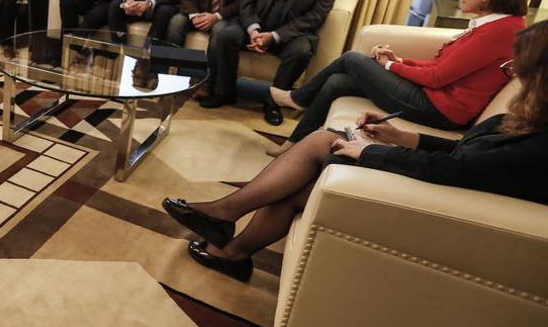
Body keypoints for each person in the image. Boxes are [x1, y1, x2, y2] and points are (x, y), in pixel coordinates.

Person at [163, 19, 548, 281]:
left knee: (323, 142)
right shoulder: (535, 118)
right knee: (301, 176)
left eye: (520, 66)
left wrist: (369, 153)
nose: (511, 72)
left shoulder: (539, 145)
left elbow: (458, 171)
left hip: (441, 200)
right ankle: (233, 249)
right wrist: (404, 137)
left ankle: (225, 216)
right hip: (445, 180)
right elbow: (469, 153)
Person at [266, 0, 530, 156]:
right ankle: (295, 145)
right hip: (434, 97)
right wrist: (399, 60)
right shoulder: (496, 25)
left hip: (441, 110)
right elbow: (443, 68)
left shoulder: (500, 31)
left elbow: (438, 77)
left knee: (351, 59)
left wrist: (389, 65)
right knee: (337, 82)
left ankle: (296, 99)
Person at [202, 0, 343, 125]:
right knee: (224, 34)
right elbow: (247, 0)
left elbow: (316, 16)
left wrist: (274, 36)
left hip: (290, 35)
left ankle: (273, 102)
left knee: (302, 51)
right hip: (257, 26)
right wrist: (254, 29)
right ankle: (225, 92)